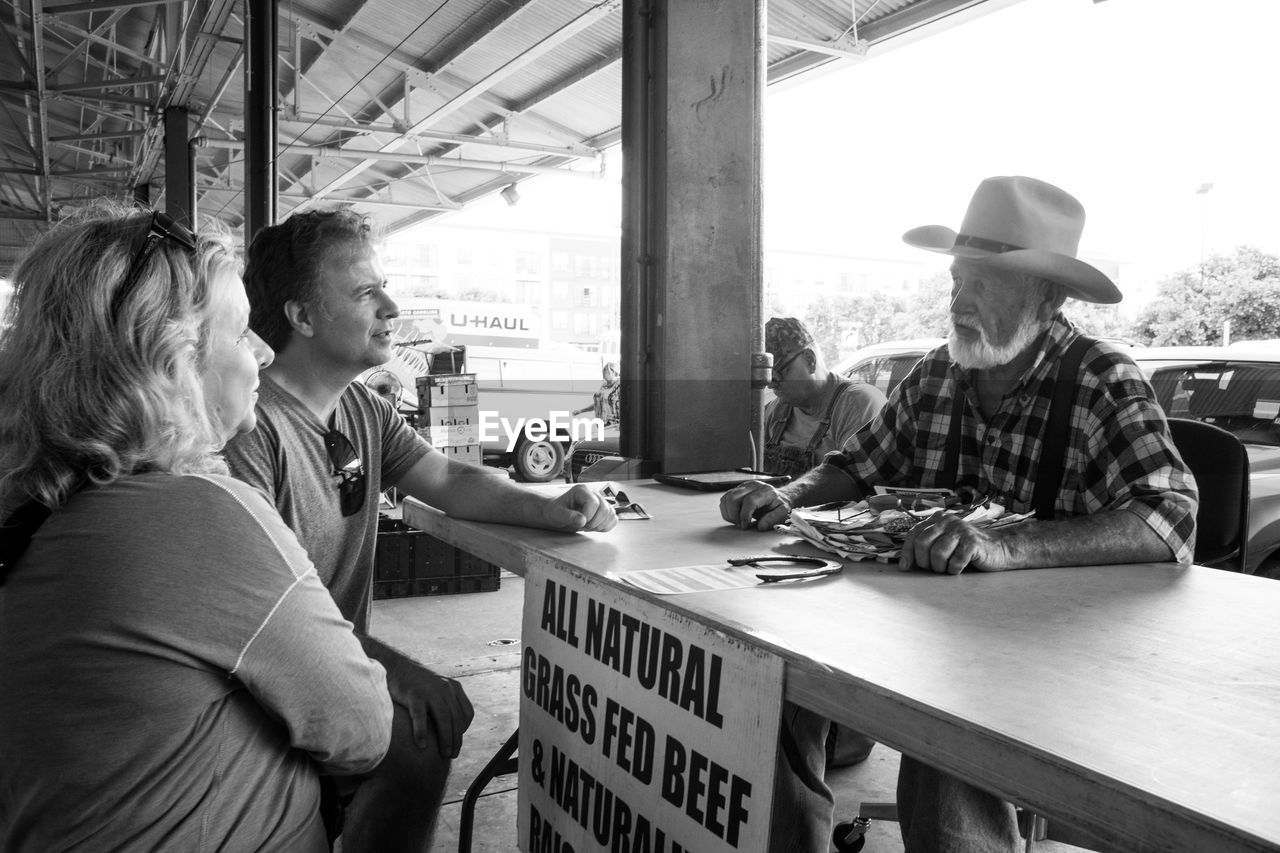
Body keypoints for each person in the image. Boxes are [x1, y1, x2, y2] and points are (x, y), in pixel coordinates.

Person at [721, 176, 1198, 853]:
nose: (959, 299)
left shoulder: (1101, 378)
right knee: (770, 677)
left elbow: (1170, 517)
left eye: (985, 283)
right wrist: (791, 496)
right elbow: (860, 463)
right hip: (931, 634)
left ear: (1049, 296)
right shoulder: (938, 373)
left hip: (1053, 655)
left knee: (950, 740)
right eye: (957, 278)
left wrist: (1006, 544)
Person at [223, 206, 618, 853]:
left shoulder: (363, 408)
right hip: (267, 676)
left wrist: (548, 507)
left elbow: (450, 479)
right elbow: (270, 614)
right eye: (365, 291)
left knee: (423, 727)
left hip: (331, 659)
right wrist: (393, 670)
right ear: (301, 316)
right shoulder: (254, 430)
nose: (392, 306)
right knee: (418, 731)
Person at [0, 203, 392, 852]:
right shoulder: (199, 511)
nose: (264, 352)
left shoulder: (37, 498)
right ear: (172, 360)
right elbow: (362, 727)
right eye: (240, 334)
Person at [762, 316, 886, 478]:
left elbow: (857, 483)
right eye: (767, 377)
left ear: (810, 360)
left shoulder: (858, 405)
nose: (771, 385)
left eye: (777, 374)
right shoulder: (776, 410)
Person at [575, 361, 621, 425]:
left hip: (614, 426)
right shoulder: (603, 387)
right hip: (602, 426)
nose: (603, 372)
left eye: (606, 370)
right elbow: (598, 403)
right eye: (603, 369)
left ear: (613, 372)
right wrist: (581, 411)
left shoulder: (619, 387)